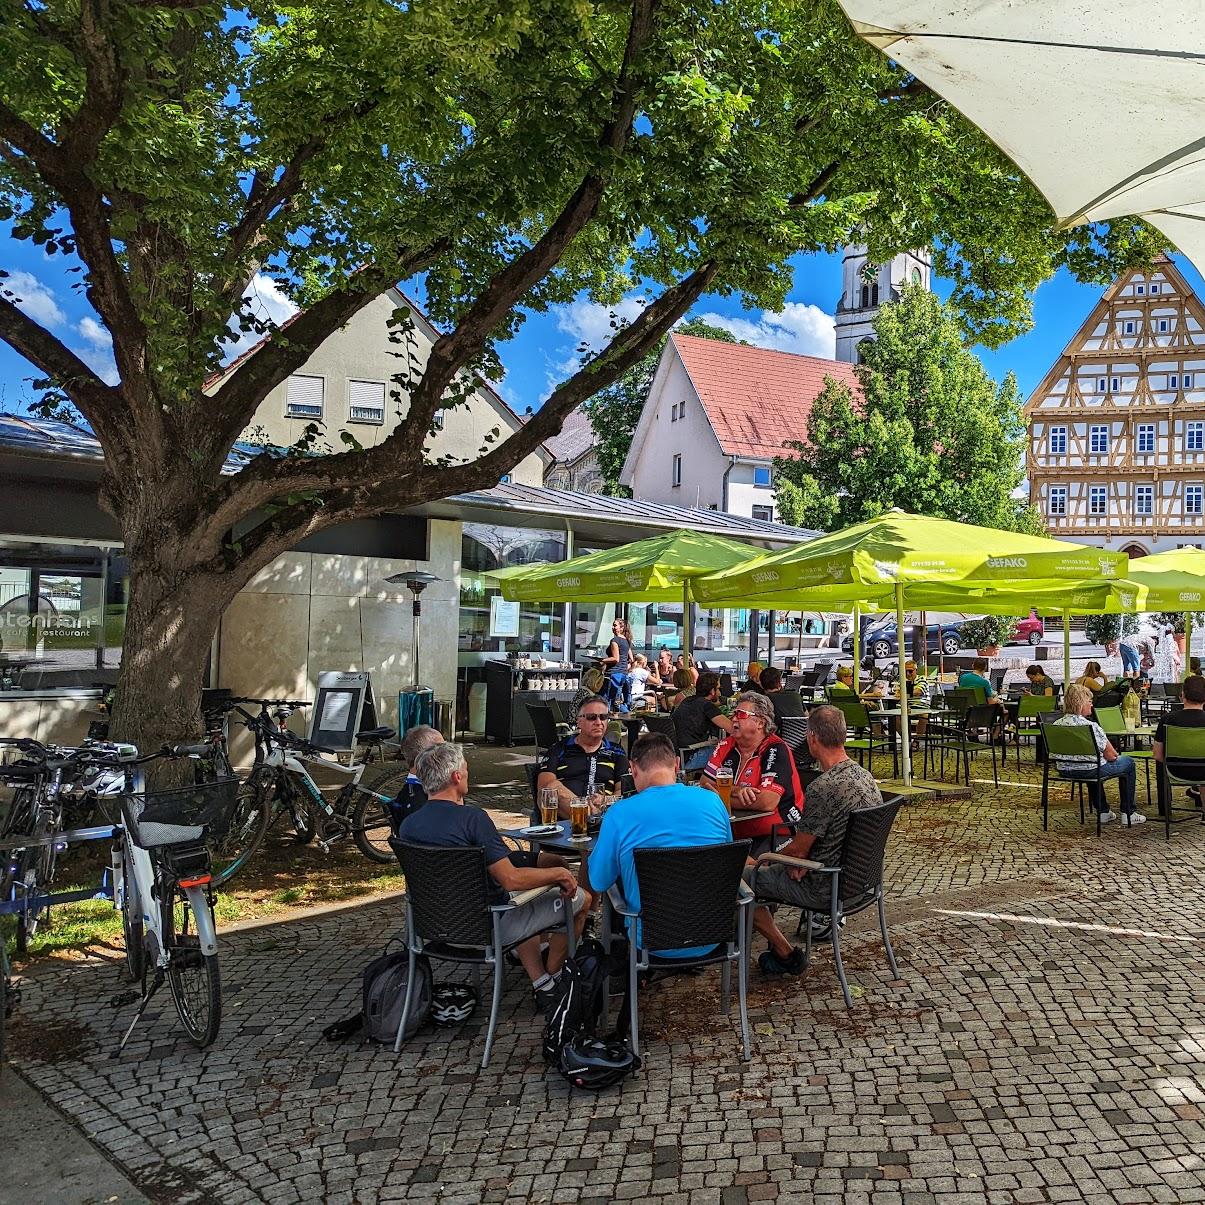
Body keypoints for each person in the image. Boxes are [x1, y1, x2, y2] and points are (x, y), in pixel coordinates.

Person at [399, 743, 590, 1010]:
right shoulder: (472, 819)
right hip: (489, 926)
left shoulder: (408, 825)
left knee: (520, 896)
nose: (467, 772)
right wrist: (559, 873)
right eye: (465, 768)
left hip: (433, 928)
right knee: (583, 899)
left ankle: (541, 981)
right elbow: (511, 879)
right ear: (456, 776)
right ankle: (554, 977)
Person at [744, 705, 882, 975]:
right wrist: (798, 859)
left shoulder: (823, 787)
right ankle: (780, 950)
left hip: (823, 886)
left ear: (812, 739)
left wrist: (761, 861)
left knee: (740, 875)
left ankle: (784, 954)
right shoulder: (865, 776)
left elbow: (797, 851)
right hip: (860, 883)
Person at [585, 733, 732, 958]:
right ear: (676, 764)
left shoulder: (620, 813)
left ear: (633, 769)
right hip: (712, 935)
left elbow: (598, 881)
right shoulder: (712, 801)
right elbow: (725, 860)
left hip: (650, 942)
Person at [701, 691, 803, 854]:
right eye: (734, 714)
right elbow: (705, 784)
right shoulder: (725, 745)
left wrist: (721, 799)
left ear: (760, 723)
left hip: (776, 833)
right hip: (732, 832)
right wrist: (737, 791)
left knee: (742, 869)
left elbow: (766, 802)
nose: (733, 718)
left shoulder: (775, 749)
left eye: (740, 714)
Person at [1052, 683, 1143, 825]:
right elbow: (1111, 756)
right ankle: (1128, 812)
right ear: (1081, 704)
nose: (1092, 705)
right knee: (1128, 763)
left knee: (1093, 763)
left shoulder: (1056, 725)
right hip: (1089, 770)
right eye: (1089, 702)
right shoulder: (1091, 726)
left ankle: (1103, 811)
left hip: (1064, 769)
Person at [537, 695, 628, 815]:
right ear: (579, 721)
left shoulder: (616, 751)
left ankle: (589, 818)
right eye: (591, 717)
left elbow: (623, 790)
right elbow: (544, 788)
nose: (598, 722)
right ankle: (587, 817)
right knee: (553, 787)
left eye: (603, 717)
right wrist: (580, 805)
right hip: (568, 815)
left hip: (604, 812)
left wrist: (605, 800)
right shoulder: (559, 749)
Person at [1153, 673, 1205, 812]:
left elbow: (1157, 755)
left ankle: (1165, 808)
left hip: (1175, 770)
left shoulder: (1167, 720)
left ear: (1182, 695)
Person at [388, 724, 443, 832]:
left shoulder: (409, 792)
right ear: (428, 757)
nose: (450, 753)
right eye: (443, 749)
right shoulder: (425, 798)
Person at [673, 671, 733, 769]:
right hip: (691, 756)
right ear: (712, 691)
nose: (719, 692)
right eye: (718, 689)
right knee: (730, 754)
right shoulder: (706, 706)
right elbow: (731, 728)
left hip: (678, 756)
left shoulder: (687, 700)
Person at [600, 618, 633, 711]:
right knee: (618, 701)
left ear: (621, 628)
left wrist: (602, 660)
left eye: (615, 625)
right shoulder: (626, 641)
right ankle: (629, 719)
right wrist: (625, 666)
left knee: (607, 701)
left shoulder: (615, 640)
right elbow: (631, 659)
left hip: (613, 674)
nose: (613, 627)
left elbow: (615, 658)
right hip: (623, 674)